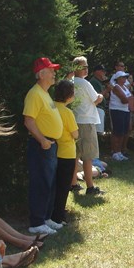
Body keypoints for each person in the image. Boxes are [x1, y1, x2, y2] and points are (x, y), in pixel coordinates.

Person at [23, 57, 64, 235]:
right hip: (42, 145)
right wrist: (42, 140)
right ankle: (37, 222)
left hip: (49, 145)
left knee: (50, 182)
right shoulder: (34, 94)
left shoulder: (45, 93)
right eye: (51, 70)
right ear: (41, 74)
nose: (54, 73)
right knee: (41, 182)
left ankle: (45, 218)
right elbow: (28, 121)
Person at [71, 57, 104, 195]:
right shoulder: (84, 83)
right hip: (86, 121)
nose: (86, 69)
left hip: (75, 121)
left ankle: (73, 183)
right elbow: (96, 99)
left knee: (75, 155)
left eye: (87, 66)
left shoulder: (69, 82)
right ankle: (90, 186)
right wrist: (101, 96)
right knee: (88, 156)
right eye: (83, 67)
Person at [51, 80, 79, 228]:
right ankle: (58, 216)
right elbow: (75, 134)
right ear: (69, 95)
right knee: (63, 187)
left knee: (53, 185)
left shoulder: (51, 106)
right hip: (67, 153)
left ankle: (51, 213)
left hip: (53, 151)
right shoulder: (67, 113)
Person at [108, 70, 132, 161]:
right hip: (117, 110)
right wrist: (131, 100)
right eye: (123, 77)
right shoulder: (116, 87)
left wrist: (130, 100)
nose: (125, 78)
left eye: (125, 77)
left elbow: (129, 99)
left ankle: (119, 152)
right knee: (117, 132)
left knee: (123, 132)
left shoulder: (125, 87)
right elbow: (125, 100)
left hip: (125, 110)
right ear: (117, 79)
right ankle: (115, 152)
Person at [88, 65, 110, 135]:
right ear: (97, 71)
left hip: (101, 108)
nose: (104, 73)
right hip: (97, 108)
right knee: (97, 132)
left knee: (100, 131)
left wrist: (106, 85)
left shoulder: (100, 82)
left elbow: (106, 95)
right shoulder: (94, 81)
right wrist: (107, 90)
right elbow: (96, 96)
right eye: (102, 71)